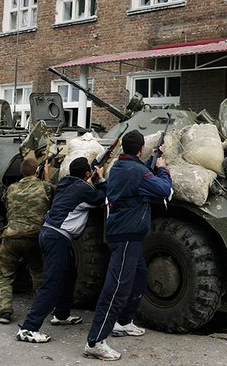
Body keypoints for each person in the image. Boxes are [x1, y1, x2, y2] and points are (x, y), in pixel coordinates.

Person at [84, 130, 173, 361]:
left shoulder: (120, 167)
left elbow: (140, 177)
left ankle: (123, 322)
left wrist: (154, 159)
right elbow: (163, 189)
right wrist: (162, 167)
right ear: (140, 149)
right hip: (126, 235)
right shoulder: (136, 171)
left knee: (140, 276)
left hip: (124, 234)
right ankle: (95, 341)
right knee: (116, 289)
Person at [16, 156, 107, 343]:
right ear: (87, 174)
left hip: (49, 233)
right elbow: (103, 198)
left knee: (69, 274)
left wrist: (92, 179)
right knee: (52, 284)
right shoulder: (84, 189)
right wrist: (102, 179)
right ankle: (28, 328)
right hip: (57, 237)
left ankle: (62, 314)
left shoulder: (64, 183)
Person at [0, 158, 54, 324]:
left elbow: (6, 205)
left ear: (21, 173)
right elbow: (50, 193)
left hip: (12, 237)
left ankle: (4, 311)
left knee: (5, 275)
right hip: (34, 237)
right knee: (37, 273)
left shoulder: (12, 189)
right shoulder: (44, 187)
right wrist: (46, 174)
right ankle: (41, 308)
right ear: (38, 172)